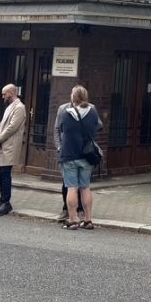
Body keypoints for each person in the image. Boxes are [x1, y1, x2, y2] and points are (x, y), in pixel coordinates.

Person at [56, 85, 101, 230]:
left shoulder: (66, 113)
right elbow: (97, 127)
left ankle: (72, 219)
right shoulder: (93, 112)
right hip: (87, 156)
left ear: (73, 97)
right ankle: (88, 220)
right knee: (85, 187)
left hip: (70, 155)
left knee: (72, 188)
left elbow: (62, 129)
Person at [0, 84, 26, 215]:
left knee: (5, 175)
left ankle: (6, 202)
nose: (3, 96)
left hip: (9, 145)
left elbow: (12, 128)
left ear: (11, 92)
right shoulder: (10, 106)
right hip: (4, 145)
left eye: (4, 94)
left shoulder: (19, 107)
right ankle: (2, 200)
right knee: (1, 174)